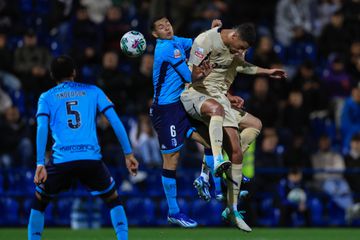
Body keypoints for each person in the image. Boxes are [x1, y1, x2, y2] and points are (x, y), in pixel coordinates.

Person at [181, 23, 287, 231]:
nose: (241, 52)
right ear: (234, 35)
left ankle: (225, 172)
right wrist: (201, 75)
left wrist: (267, 72)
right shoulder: (205, 41)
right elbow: (191, 75)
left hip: (221, 100)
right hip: (200, 96)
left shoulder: (234, 51)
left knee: (255, 125)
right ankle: (226, 189)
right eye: (241, 47)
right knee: (236, 153)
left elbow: (244, 67)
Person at [27, 55, 139, 240]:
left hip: (62, 160)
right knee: (113, 199)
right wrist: (128, 153)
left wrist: (40, 163)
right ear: (74, 73)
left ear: (52, 75)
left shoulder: (46, 97)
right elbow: (115, 121)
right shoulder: (93, 91)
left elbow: (41, 128)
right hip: (91, 160)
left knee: (39, 201)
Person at [150, 16, 224, 228]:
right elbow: (190, 77)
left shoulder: (176, 41)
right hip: (165, 111)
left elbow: (197, 42)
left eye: (167, 24)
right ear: (155, 35)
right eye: (161, 27)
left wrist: (212, 32)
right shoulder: (165, 49)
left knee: (211, 141)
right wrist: (204, 72)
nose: (167, 28)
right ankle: (174, 212)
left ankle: (217, 189)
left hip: (179, 105)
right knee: (171, 160)